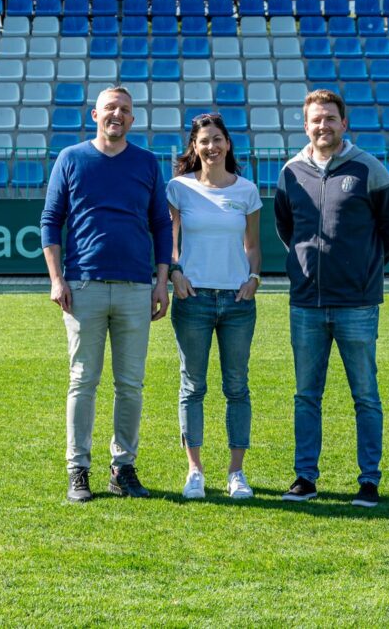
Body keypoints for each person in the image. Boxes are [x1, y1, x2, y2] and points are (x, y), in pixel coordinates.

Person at [273, 89, 389, 508]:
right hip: (306, 304)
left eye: (331, 118)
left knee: (365, 395)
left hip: (357, 304)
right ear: (306, 124)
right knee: (306, 395)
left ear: (344, 123)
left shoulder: (369, 168)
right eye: (316, 119)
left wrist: (363, 269)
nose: (323, 125)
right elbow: (286, 229)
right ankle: (305, 478)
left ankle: (369, 480)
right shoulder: (291, 172)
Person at [41, 86, 172, 504]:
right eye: (111, 108)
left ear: (133, 120)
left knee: (131, 384)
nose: (118, 115)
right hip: (83, 286)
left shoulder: (147, 163)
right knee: (83, 381)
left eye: (126, 110)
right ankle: (77, 469)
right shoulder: (71, 158)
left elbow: (161, 224)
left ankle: (123, 467)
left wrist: (162, 279)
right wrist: (56, 279)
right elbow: (51, 221)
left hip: (136, 287)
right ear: (94, 114)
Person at [166, 113, 262, 501]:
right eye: (204, 140)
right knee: (193, 386)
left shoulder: (247, 191)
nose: (212, 147)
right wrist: (175, 273)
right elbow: (168, 241)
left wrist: (254, 279)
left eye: (218, 139)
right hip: (193, 299)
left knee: (237, 387)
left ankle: (236, 472)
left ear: (228, 144)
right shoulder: (178, 188)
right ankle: (195, 471)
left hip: (238, 301)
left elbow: (253, 245)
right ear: (194, 147)